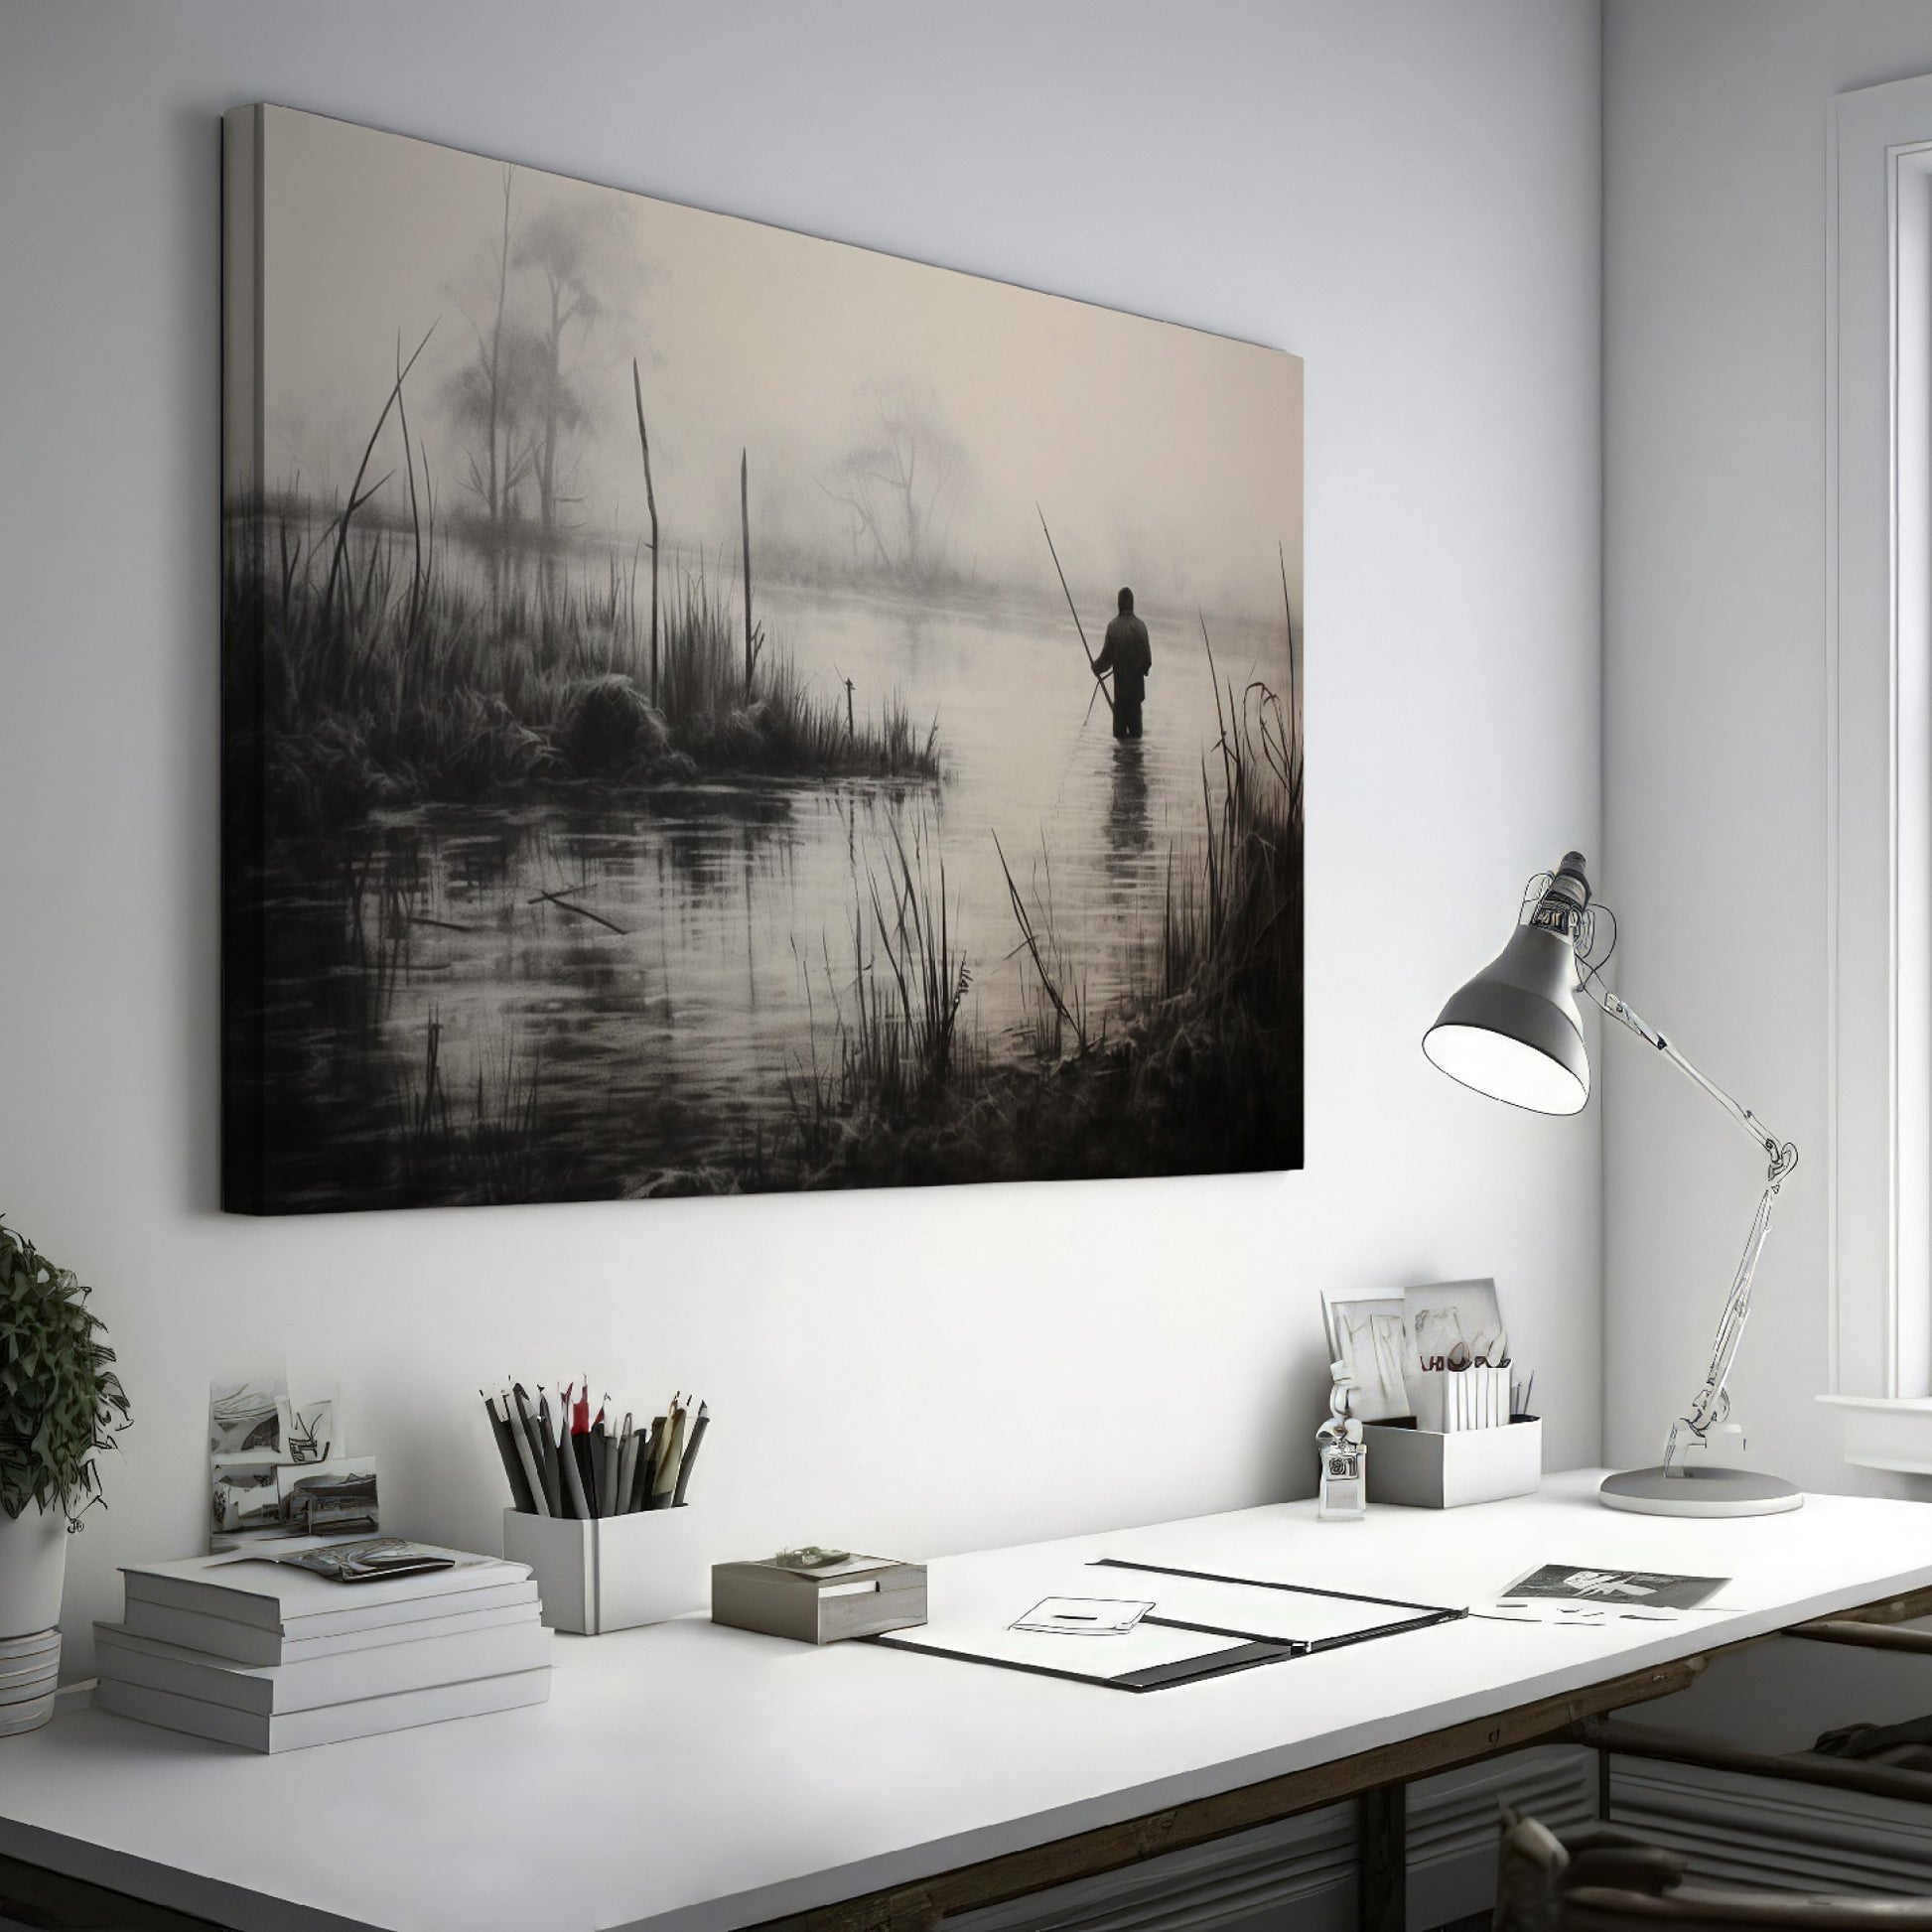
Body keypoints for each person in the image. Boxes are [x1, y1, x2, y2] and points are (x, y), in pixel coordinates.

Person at [1093, 587, 1152, 740]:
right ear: (1132, 604)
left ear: (1119, 604)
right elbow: (1148, 662)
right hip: (1137, 696)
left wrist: (1095, 667)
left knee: (1119, 742)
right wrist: (1137, 669)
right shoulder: (1141, 627)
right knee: (1135, 743)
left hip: (1120, 696)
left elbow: (1105, 661)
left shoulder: (1113, 627)